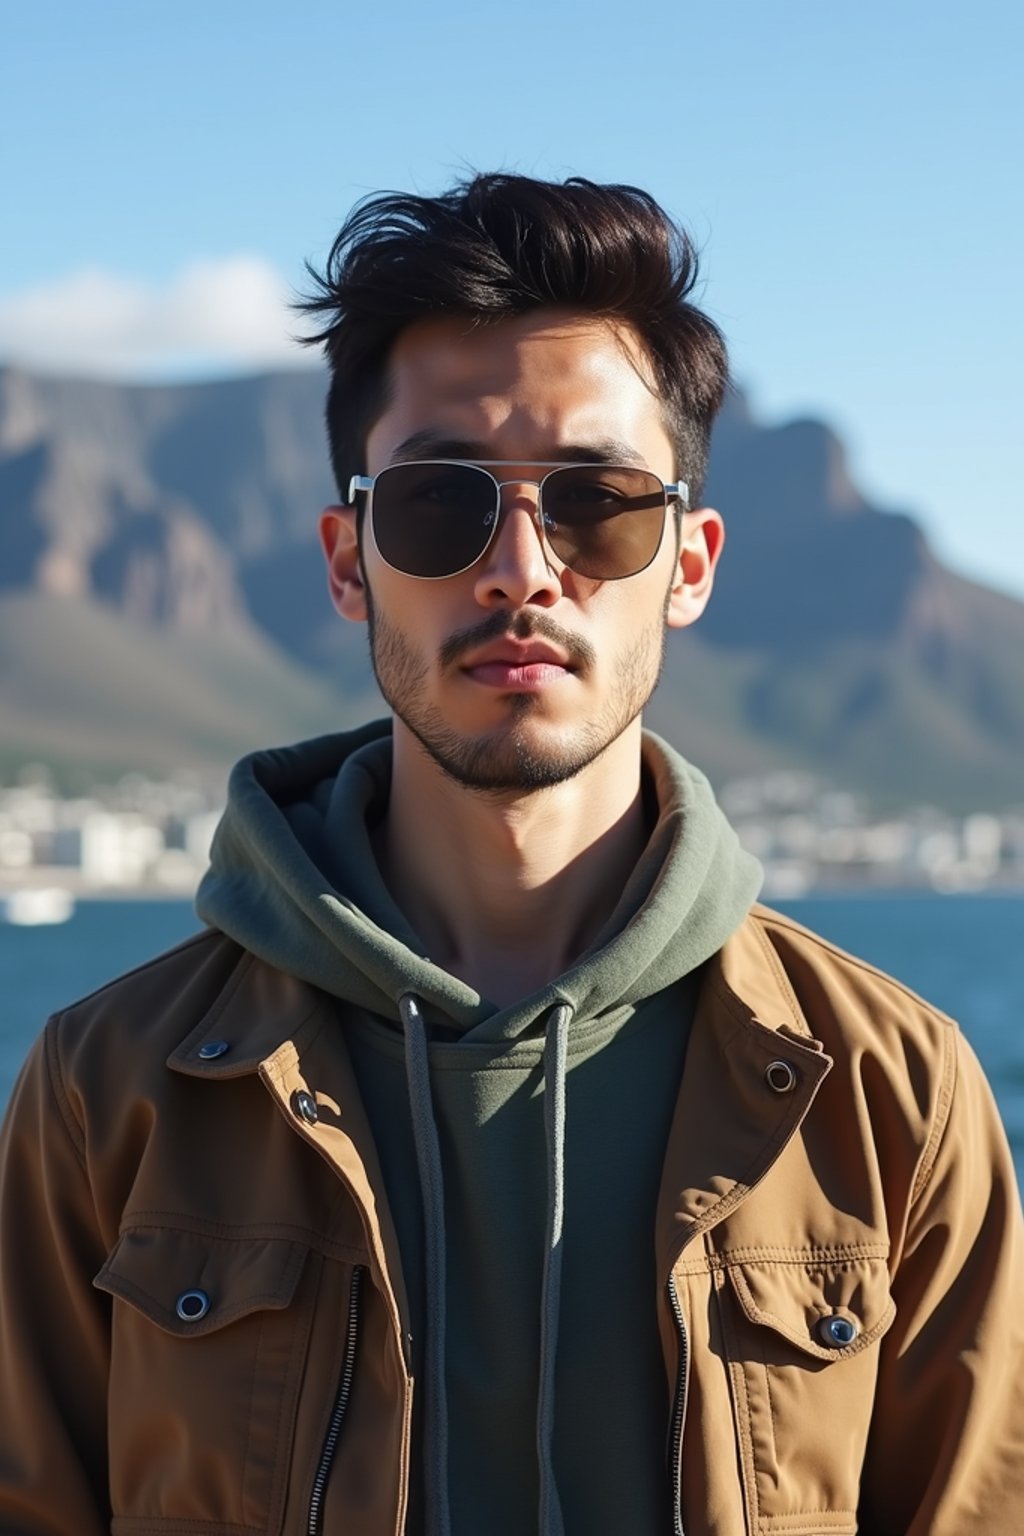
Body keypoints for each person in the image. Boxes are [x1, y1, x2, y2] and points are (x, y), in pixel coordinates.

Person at [0, 173, 1021, 1536]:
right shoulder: (111, 1088)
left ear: (692, 561)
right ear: (349, 560)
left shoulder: (893, 1097)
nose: (521, 569)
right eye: (439, 504)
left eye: (598, 504)